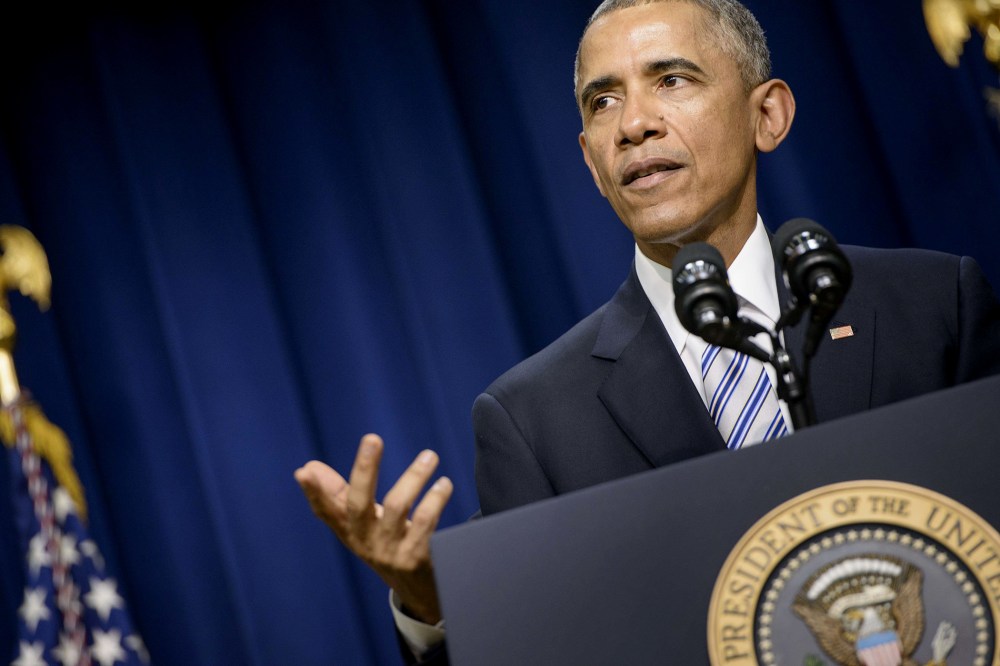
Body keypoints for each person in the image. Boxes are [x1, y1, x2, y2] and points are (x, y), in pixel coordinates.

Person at [295, 0, 1000, 662]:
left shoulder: (933, 303)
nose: (634, 123)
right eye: (603, 101)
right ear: (591, 163)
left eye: (672, 80)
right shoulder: (533, 420)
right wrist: (433, 603)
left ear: (768, 115)